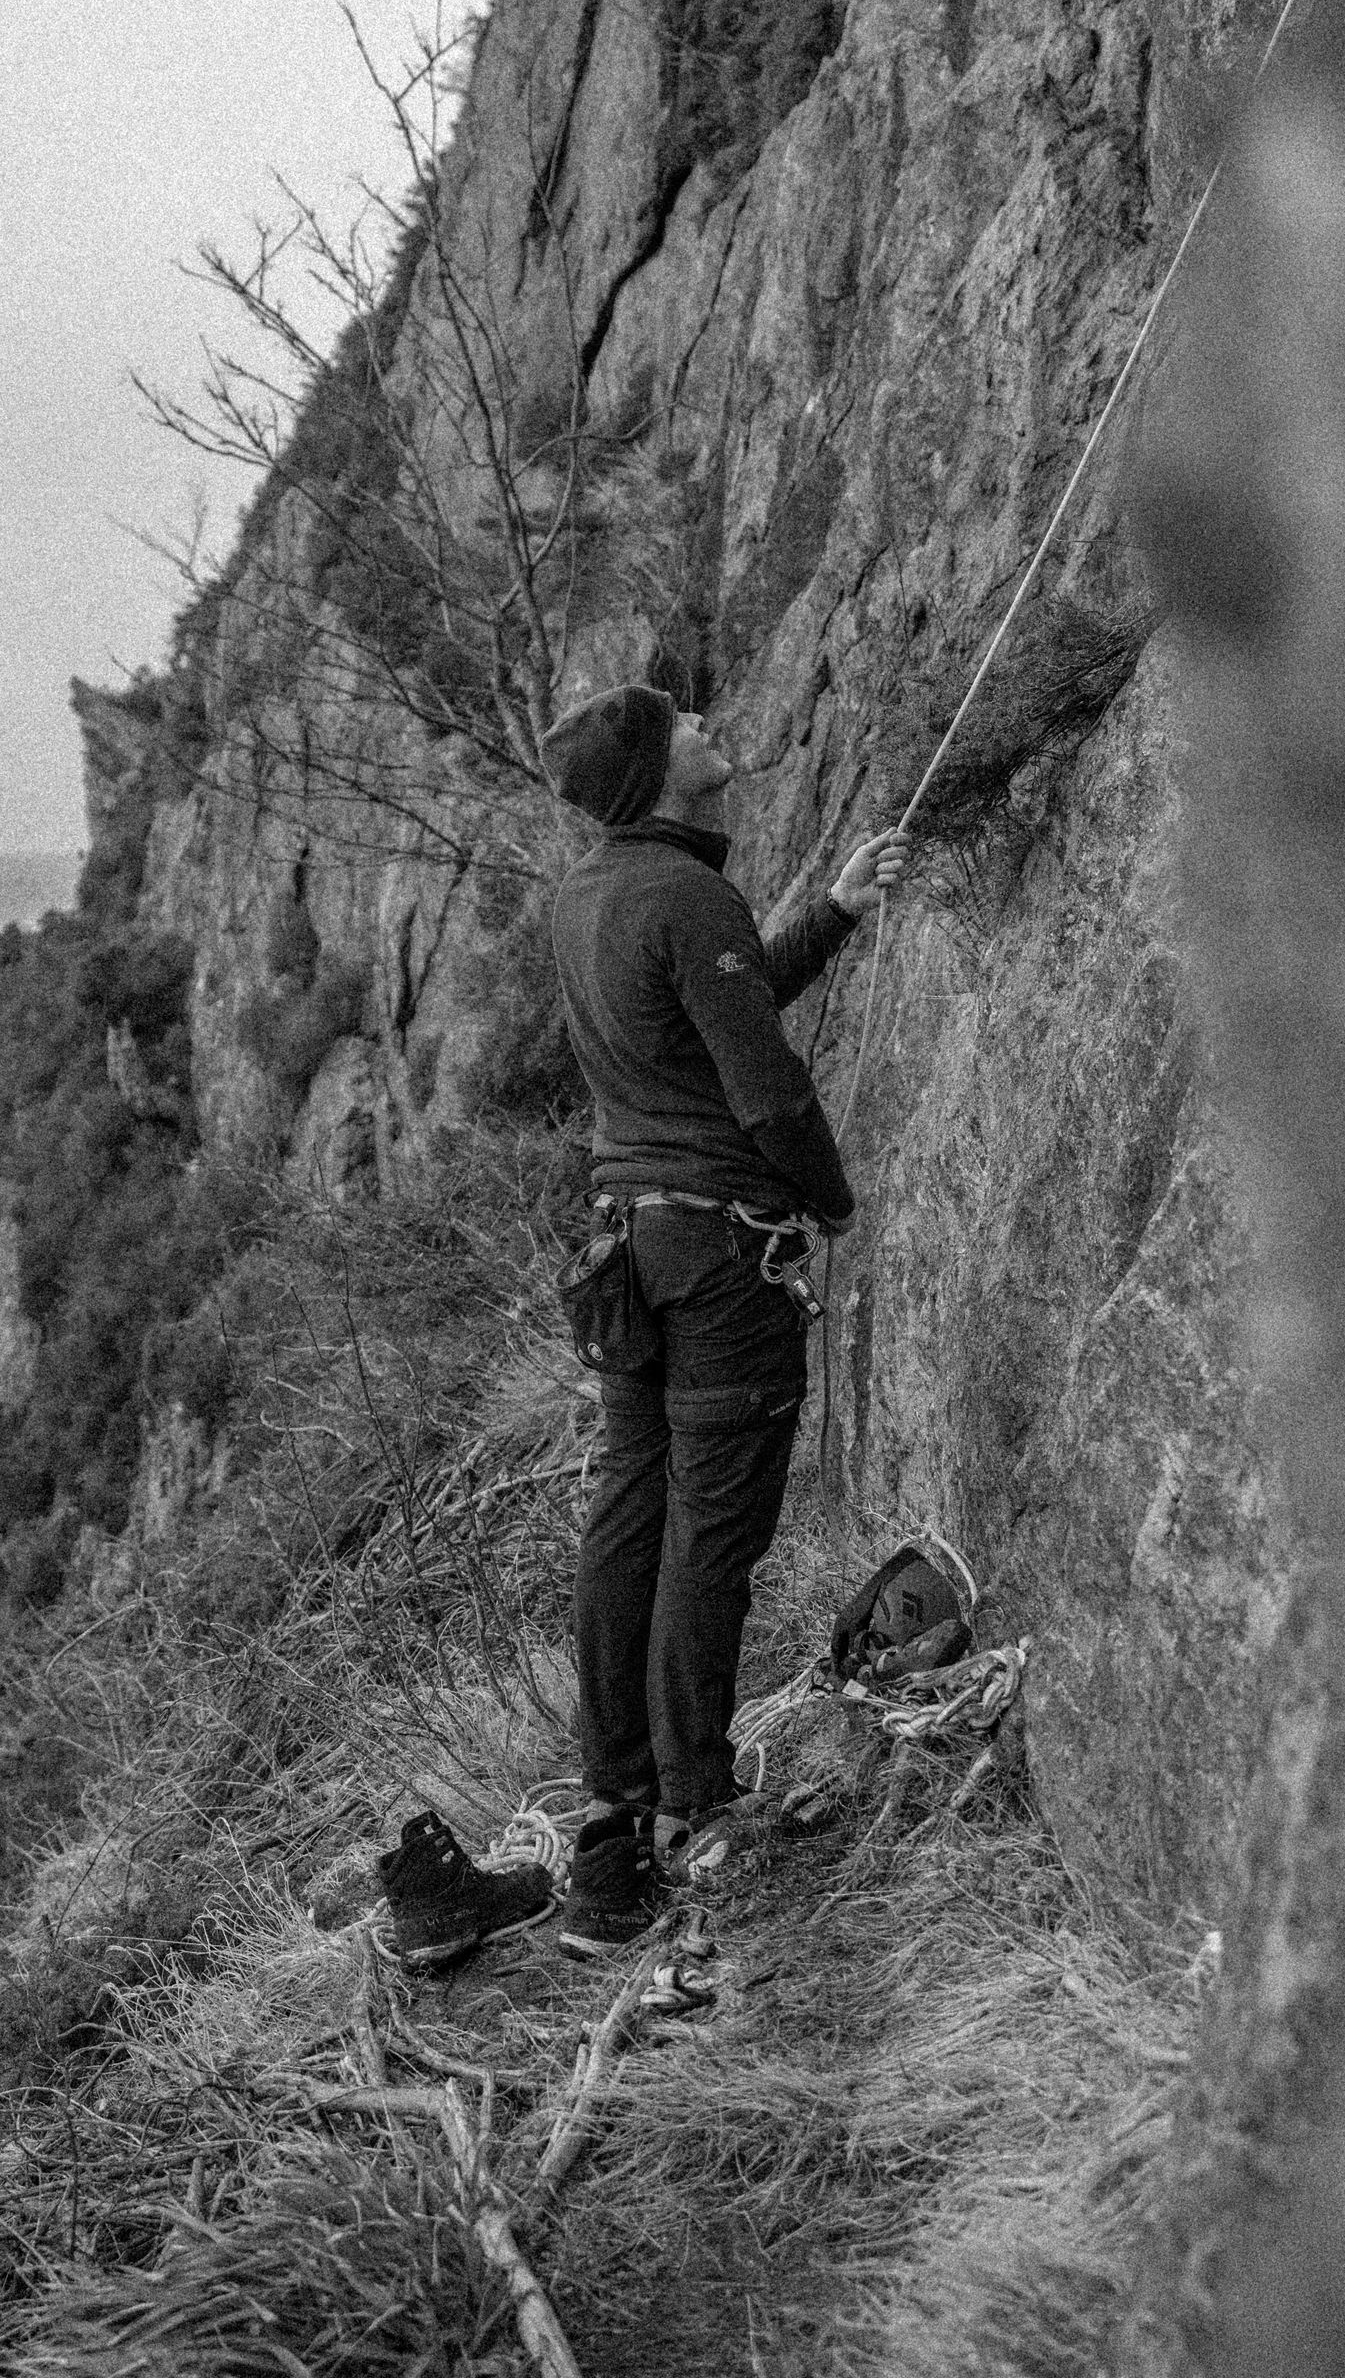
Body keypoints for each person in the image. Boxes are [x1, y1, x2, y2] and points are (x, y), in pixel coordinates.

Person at [540, 681, 909, 1952]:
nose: (710, 726)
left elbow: (714, 1015)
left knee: (631, 1515)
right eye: (685, 722)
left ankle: (613, 1816)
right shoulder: (687, 895)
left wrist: (834, 916)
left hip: (630, 1250)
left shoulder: (589, 895)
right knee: (714, 1526)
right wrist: (835, 1203)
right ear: (657, 770)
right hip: (719, 1257)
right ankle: (694, 1805)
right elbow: (760, 1085)